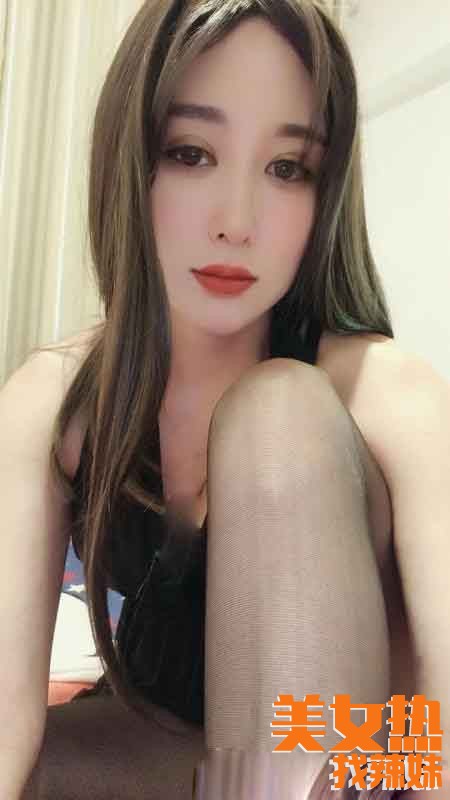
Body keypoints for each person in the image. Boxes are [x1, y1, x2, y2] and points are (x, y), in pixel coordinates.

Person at [1, 0, 449, 797]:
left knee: (278, 412)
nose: (236, 222)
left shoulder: (391, 397)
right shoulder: (60, 400)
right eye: (191, 153)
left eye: (288, 168)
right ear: (130, 160)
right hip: (160, 754)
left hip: (351, 772)